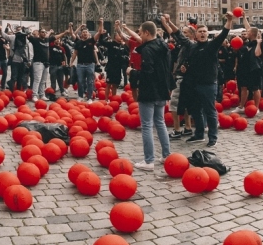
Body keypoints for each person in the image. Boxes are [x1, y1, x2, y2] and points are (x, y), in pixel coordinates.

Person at [173, 12, 235, 147]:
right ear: (196, 35)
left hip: (208, 84)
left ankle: (213, 137)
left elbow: (224, 33)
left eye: (204, 32)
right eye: (200, 31)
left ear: (208, 34)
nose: (202, 33)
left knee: (210, 111)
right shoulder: (192, 46)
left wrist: (229, 20)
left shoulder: (212, 46)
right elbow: (178, 35)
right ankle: (199, 134)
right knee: (195, 110)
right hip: (194, 84)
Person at [132, 19, 171, 170]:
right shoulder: (164, 45)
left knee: (147, 125)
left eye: (141, 33)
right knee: (160, 123)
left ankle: (149, 160)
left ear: (147, 33)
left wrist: (133, 73)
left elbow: (147, 72)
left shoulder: (148, 50)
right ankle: (166, 155)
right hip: (162, 90)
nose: (140, 36)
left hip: (150, 90)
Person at [71, 20, 103, 100]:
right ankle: (80, 96)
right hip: (80, 65)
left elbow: (99, 32)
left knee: (90, 82)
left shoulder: (91, 41)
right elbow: (75, 53)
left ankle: (89, 98)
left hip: (90, 64)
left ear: (88, 34)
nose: (84, 33)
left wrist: (101, 23)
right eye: (83, 32)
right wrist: (71, 62)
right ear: (81, 34)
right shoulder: (78, 42)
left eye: (86, 32)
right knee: (80, 82)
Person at [100, 22, 129, 99]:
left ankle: (114, 98)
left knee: (115, 85)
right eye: (119, 36)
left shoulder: (122, 46)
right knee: (109, 84)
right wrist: (101, 34)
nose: (120, 37)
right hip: (111, 67)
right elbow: (101, 42)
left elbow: (127, 54)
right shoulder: (111, 44)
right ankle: (106, 99)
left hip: (118, 68)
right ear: (115, 37)